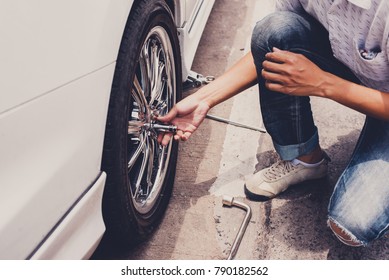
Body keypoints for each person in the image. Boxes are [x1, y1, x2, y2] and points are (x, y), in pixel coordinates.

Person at [158, 0, 389, 247]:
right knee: (275, 30)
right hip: (365, 75)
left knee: (352, 223)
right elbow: (272, 49)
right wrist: (204, 98)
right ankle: (304, 158)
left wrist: (324, 83)